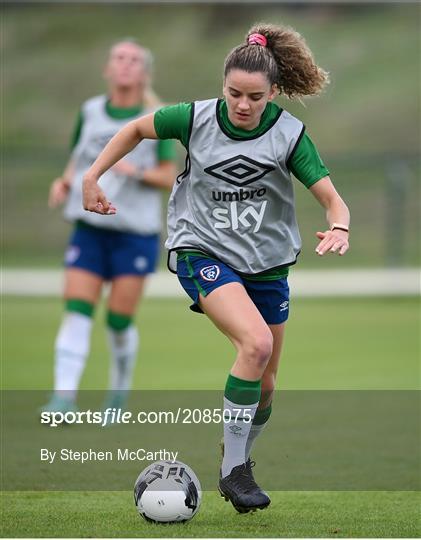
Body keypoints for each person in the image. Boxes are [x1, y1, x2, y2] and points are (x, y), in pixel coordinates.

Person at [81, 24, 350, 513]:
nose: (242, 105)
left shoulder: (289, 135)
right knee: (257, 343)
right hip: (202, 251)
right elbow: (136, 128)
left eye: (254, 97)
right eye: (233, 93)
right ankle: (233, 473)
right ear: (221, 84)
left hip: (267, 266)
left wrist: (340, 227)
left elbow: (333, 200)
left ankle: (237, 455)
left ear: (273, 92)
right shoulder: (194, 118)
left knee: (266, 382)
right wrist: (93, 174)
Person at [42, 40, 176, 414]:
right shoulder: (90, 111)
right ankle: (63, 397)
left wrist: (133, 170)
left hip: (134, 234)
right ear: (107, 68)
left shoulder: (156, 117)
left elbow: (170, 176)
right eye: (119, 58)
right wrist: (65, 181)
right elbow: (77, 159)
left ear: (145, 73)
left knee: (118, 319)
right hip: (89, 230)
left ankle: (118, 393)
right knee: (77, 309)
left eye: (134, 60)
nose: (125, 65)